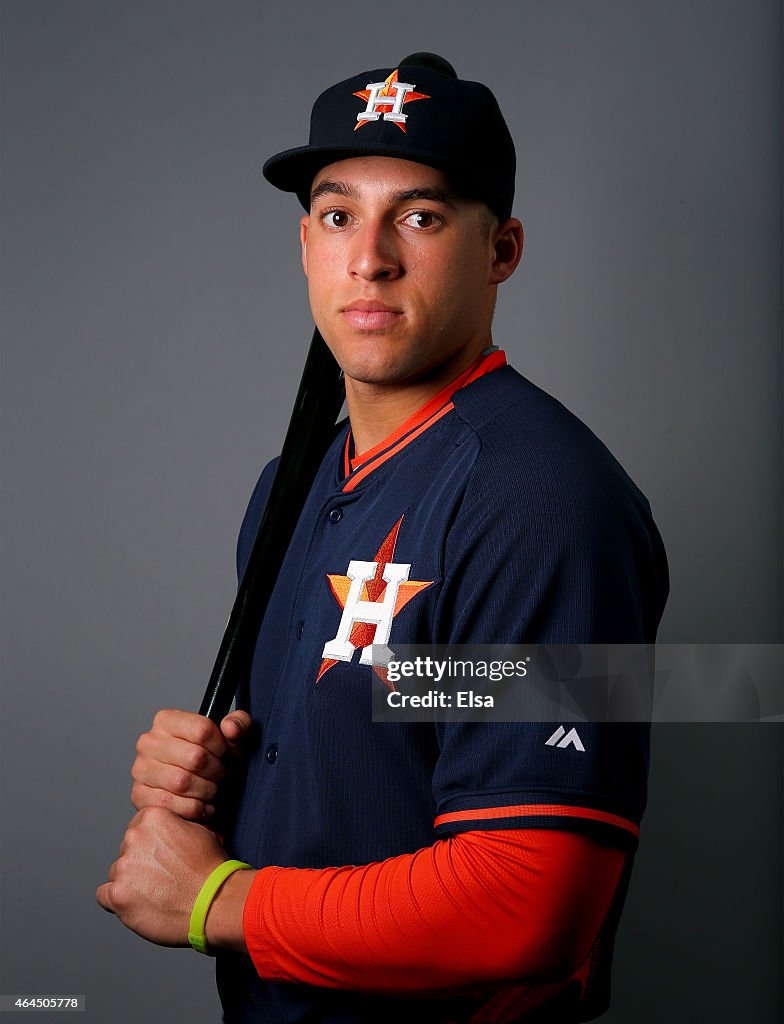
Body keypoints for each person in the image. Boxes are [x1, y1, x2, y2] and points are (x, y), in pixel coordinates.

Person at [97, 53, 669, 1023]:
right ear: (305, 242)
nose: (370, 257)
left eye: (421, 215)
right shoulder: (292, 482)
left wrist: (212, 898)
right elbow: (390, 747)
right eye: (336, 215)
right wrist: (228, 777)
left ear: (502, 249)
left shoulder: (539, 499)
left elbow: (527, 906)